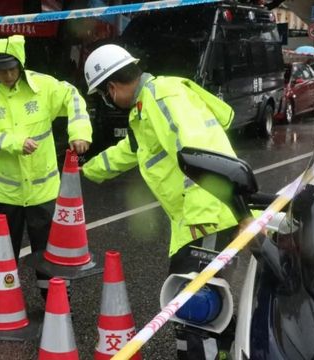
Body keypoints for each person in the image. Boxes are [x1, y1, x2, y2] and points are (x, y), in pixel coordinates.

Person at [81, 44, 240, 359]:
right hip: (197, 216)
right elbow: (132, 150)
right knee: (203, 298)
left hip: (204, 214)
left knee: (192, 305)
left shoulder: (162, 98)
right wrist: (86, 170)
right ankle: (225, 350)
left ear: (111, 87)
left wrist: (200, 215)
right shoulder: (147, 106)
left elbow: (199, 150)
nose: (108, 100)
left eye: (104, 94)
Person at [0, 35, 92, 317]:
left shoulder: (44, 87)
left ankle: (56, 303)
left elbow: (73, 97)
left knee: (49, 254)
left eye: (13, 69)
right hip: (6, 193)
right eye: (1, 70)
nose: (9, 75)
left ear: (21, 65)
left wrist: (80, 132)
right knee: (1, 253)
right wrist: (14, 142)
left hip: (43, 191)